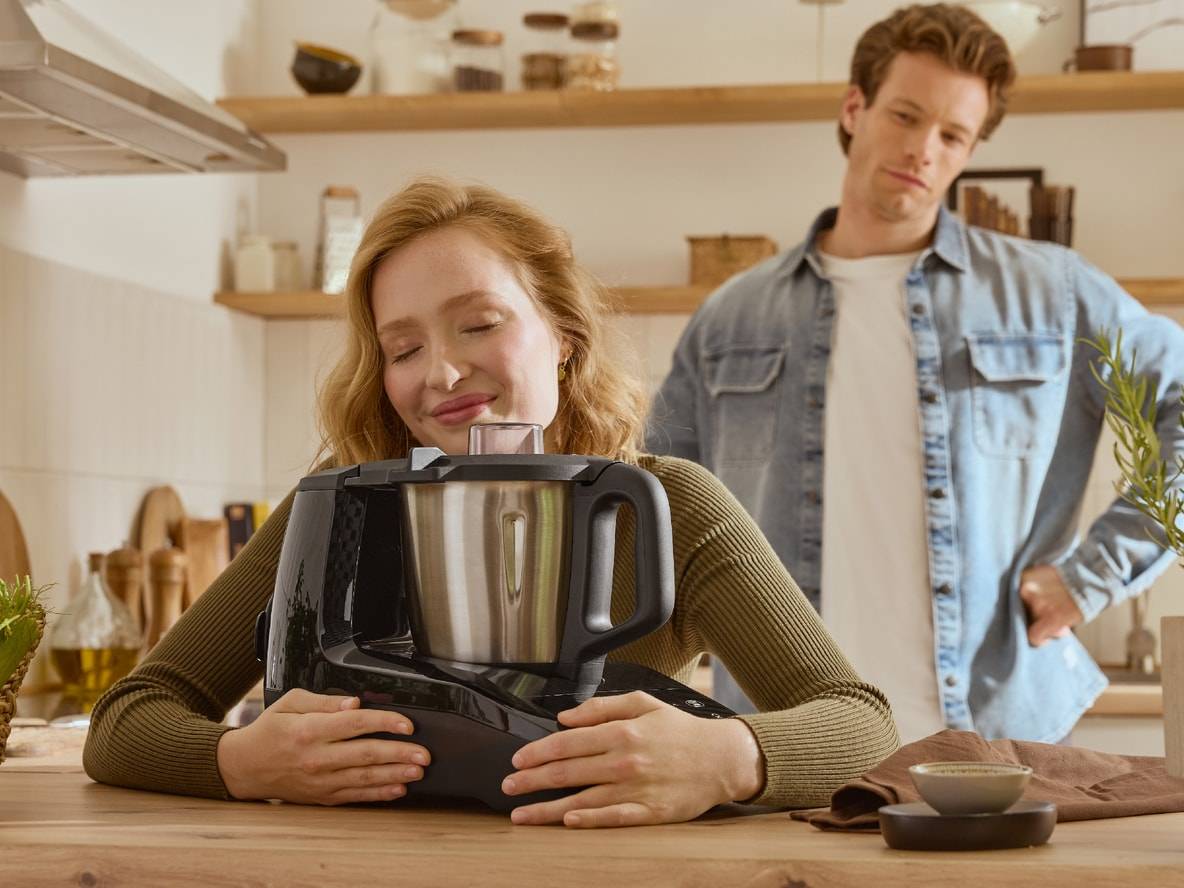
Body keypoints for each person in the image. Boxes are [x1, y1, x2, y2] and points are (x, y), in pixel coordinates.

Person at [83, 177, 899, 828]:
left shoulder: (672, 504)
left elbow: (862, 725)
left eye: (478, 324)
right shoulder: (340, 506)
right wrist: (239, 762)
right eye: (404, 348)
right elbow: (128, 720)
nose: (438, 372)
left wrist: (727, 757)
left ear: (563, 333)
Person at [647, 3, 1184, 745]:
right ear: (854, 107)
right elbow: (650, 512)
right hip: (787, 744)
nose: (923, 148)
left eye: (953, 134)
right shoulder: (734, 317)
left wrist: (1091, 576)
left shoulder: (1053, 296)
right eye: (905, 115)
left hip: (994, 741)